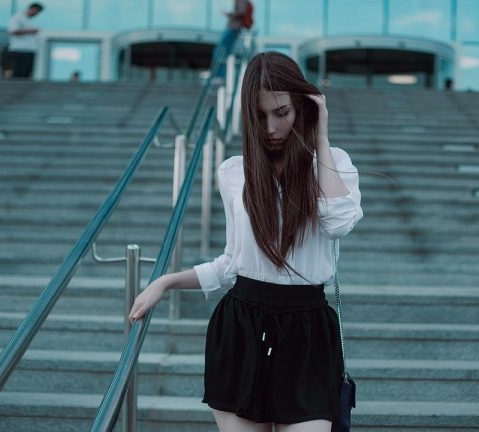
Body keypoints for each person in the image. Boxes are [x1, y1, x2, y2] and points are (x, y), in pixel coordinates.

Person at [129, 51, 363, 431]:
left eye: (282, 112)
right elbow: (233, 261)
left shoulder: (332, 163)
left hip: (307, 331)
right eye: (259, 116)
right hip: (241, 326)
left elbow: (339, 223)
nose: (271, 127)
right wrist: (166, 282)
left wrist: (320, 137)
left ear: (303, 106)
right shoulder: (234, 172)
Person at [211, 0, 253, 83]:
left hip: (233, 28)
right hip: (234, 29)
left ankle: (219, 76)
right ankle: (219, 76)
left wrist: (228, 14)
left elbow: (241, 12)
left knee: (219, 52)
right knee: (222, 53)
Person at [7, 2, 44, 79]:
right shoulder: (17, 18)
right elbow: (13, 31)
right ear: (32, 9)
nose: (36, 14)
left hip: (29, 49)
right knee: (19, 72)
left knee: (26, 72)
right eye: (36, 11)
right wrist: (31, 31)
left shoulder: (28, 20)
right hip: (19, 50)